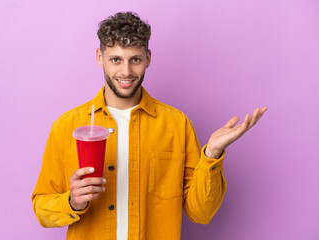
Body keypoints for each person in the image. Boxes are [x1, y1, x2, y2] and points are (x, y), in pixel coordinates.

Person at [32, 12, 267, 240]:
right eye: (116, 59)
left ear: (148, 58)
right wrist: (73, 202)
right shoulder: (67, 126)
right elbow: (42, 209)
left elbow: (201, 213)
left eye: (135, 59)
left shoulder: (177, 124)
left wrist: (212, 154)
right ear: (99, 57)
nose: (126, 72)